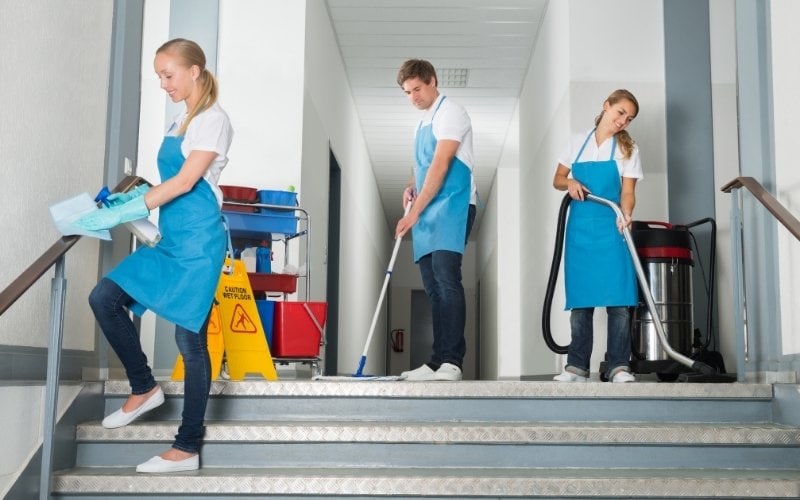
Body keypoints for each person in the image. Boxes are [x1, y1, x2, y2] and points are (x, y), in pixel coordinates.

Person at [76, 38, 233, 472]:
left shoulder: (212, 121)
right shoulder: (179, 121)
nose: (163, 83)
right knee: (104, 298)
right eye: (159, 76)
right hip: (171, 237)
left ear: (194, 71)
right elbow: (166, 184)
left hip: (199, 242)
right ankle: (144, 386)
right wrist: (132, 200)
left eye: (168, 74)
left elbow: (185, 182)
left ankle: (186, 446)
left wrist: (134, 207)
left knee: (189, 340)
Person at [552, 89, 642, 384]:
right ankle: (577, 367)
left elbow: (628, 193)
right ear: (606, 106)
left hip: (612, 227)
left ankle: (618, 366)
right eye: (620, 113)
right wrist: (571, 181)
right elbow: (557, 179)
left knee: (619, 302)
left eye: (628, 119)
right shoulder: (577, 142)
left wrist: (625, 214)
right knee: (581, 303)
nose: (622, 121)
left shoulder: (629, 150)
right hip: (580, 231)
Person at [394, 59, 477, 382]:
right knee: (432, 287)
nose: (413, 97)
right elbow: (424, 165)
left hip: (454, 204)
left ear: (432, 81)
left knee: (446, 278)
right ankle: (436, 360)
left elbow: (441, 165)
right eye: (407, 92)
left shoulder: (451, 112)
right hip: (429, 208)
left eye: (417, 89)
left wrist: (414, 214)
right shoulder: (422, 122)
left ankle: (452, 361)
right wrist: (412, 184)